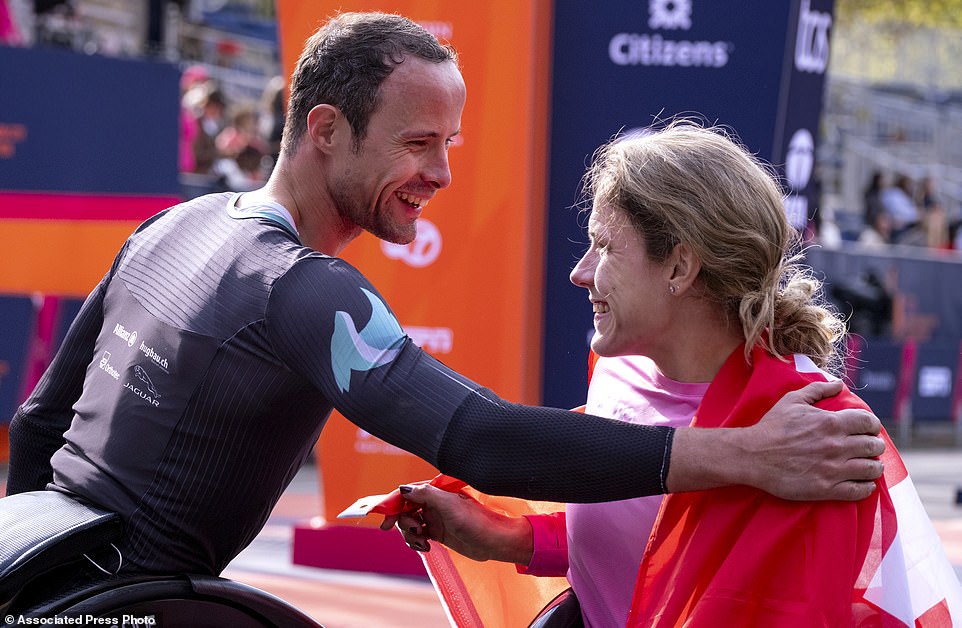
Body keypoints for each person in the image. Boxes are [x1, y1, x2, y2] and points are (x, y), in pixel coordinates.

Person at [4, 13, 883, 603]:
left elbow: (41, 425)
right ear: (325, 130)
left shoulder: (174, 224)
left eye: (451, 144)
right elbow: (482, 439)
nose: (443, 174)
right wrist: (745, 455)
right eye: (417, 143)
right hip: (137, 597)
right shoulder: (305, 289)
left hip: (41, 563)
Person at [385, 122, 920, 626]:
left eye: (607, 247)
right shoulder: (619, 370)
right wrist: (512, 539)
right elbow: (641, 543)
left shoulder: (813, 428)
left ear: (680, 267)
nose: (580, 272)